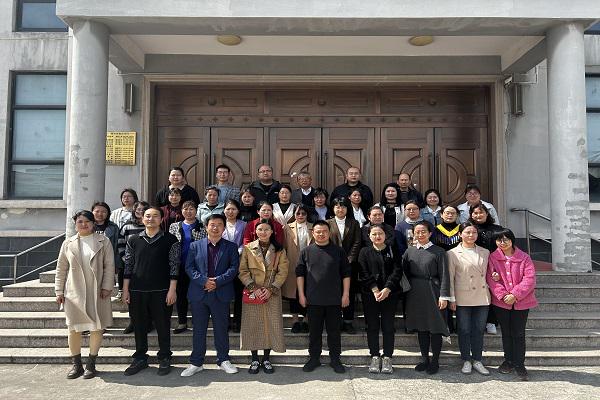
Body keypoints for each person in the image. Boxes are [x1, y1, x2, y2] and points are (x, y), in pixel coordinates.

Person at [55, 210, 115, 379]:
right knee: (73, 328)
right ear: (75, 224)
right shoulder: (68, 243)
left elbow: (109, 266)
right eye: (80, 221)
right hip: (74, 292)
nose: (84, 224)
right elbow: (61, 268)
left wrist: (107, 286)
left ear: (93, 223)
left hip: (97, 291)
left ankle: (91, 364)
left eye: (87, 221)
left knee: (97, 326)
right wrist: (59, 290)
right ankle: (76, 365)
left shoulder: (104, 241)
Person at [122, 206, 180, 376]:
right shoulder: (133, 239)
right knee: (139, 325)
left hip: (162, 290)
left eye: (155, 216)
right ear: (142, 219)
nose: (151, 219)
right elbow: (128, 265)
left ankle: (164, 357)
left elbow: (175, 265)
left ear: (161, 219)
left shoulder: (171, 239)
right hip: (137, 289)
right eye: (147, 216)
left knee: (163, 325)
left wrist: (172, 290)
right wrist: (125, 289)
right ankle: (140, 357)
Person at [181, 214, 240, 377]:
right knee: (198, 329)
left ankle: (223, 360)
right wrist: (204, 281)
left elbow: (234, 268)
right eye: (212, 225)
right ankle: (196, 362)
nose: (215, 228)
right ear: (206, 227)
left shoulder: (231, 246)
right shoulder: (195, 246)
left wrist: (217, 281)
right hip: (199, 293)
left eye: (219, 225)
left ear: (224, 228)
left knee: (221, 329)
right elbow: (189, 268)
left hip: (221, 293)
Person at [296, 220, 351, 374]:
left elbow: (346, 274)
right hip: (313, 299)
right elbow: (299, 274)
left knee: (334, 332)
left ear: (329, 233)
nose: (321, 234)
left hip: (334, 299)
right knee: (314, 331)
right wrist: (301, 294)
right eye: (318, 231)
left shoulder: (338, 251)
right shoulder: (306, 251)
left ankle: (335, 359)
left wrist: (345, 294)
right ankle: (314, 358)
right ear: (313, 233)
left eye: (324, 231)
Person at [238, 220, 289, 374]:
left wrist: (272, 288)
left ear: (272, 232)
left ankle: (266, 358)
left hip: (271, 293)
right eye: (260, 229)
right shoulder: (248, 248)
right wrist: (253, 287)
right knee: (252, 325)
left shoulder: (279, 250)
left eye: (267, 229)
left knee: (270, 326)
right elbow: (243, 271)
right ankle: (254, 359)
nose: (263, 232)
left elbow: (283, 271)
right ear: (255, 232)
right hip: (253, 292)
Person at [487, 228, 538, 381]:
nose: (502, 243)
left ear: (512, 240)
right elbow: (490, 278)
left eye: (505, 239)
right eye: (499, 240)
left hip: (522, 302)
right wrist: (503, 295)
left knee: (519, 333)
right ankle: (508, 361)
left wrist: (515, 294)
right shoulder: (493, 257)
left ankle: (520, 363)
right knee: (506, 333)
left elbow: (529, 279)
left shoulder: (524, 257)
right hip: (501, 303)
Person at [402, 221, 451, 375]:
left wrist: (444, 295)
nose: (420, 234)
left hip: (433, 290)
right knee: (421, 327)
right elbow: (403, 272)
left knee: (435, 327)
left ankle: (435, 360)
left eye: (424, 231)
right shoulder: (409, 251)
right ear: (413, 234)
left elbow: (445, 275)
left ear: (430, 233)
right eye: (417, 232)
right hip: (415, 292)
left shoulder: (439, 251)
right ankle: (425, 359)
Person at [358, 224, 404, 374]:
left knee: (388, 326)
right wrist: (375, 289)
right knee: (372, 326)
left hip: (390, 294)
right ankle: (375, 356)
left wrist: (387, 288)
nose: (377, 237)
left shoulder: (393, 249)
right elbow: (363, 271)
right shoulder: (364, 252)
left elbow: (397, 271)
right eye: (374, 234)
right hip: (370, 295)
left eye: (380, 234)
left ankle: (388, 357)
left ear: (385, 235)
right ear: (369, 236)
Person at [447, 222, 491, 376]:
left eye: (474, 232)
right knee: (464, 330)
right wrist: (451, 298)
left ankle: (477, 360)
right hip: (462, 296)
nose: (471, 235)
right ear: (460, 234)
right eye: (467, 232)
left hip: (482, 295)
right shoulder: (452, 253)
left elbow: (489, 273)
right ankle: (466, 359)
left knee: (479, 330)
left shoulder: (485, 252)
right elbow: (450, 278)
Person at [168, 201, 207, 334]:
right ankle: (182, 322)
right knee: (181, 294)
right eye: (185, 209)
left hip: (197, 266)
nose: (188, 211)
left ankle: (199, 322)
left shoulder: (202, 226)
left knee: (198, 295)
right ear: (181, 211)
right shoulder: (174, 226)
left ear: (196, 211)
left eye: (191, 209)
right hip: (179, 265)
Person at [327, 197, 361, 334]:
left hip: (349, 264)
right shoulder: (327, 223)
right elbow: (325, 241)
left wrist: (350, 258)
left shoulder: (354, 223)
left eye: (343, 207)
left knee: (349, 293)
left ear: (347, 209)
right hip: (332, 263)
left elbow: (357, 242)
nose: (340, 209)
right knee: (334, 292)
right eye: (337, 206)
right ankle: (336, 321)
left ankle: (348, 321)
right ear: (333, 208)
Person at [469, 203, 504, 335]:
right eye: (475, 213)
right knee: (475, 293)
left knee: (493, 293)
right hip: (474, 266)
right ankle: (476, 321)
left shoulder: (497, 229)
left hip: (493, 266)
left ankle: (491, 321)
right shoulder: (468, 229)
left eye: (481, 212)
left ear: (487, 214)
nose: (478, 215)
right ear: (471, 214)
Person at [282, 205, 313, 333]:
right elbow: (283, 247)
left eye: (303, 213)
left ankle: (306, 320)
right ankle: (295, 320)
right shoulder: (287, 228)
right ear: (294, 214)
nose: (300, 216)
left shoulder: (313, 227)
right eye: (298, 213)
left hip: (310, 265)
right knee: (293, 293)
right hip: (292, 264)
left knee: (308, 291)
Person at [116, 201, 149, 311]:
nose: (141, 212)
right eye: (138, 209)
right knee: (132, 294)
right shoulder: (127, 226)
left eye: (144, 209)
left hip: (147, 265)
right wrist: (126, 259)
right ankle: (133, 320)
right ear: (134, 211)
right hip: (130, 265)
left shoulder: (150, 225)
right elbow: (121, 243)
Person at [221, 199, 248, 333]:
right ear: (224, 210)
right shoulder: (219, 224)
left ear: (238, 211)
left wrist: (238, 250)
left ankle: (238, 321)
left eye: (233, 209)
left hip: (239, 262)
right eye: (228, 209)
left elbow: (246, 241)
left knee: (239, 294)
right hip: (222, 263)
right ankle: (224, 321)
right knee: (224, 293)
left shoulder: (243, 225)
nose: (230, 212)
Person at [91, 201, 120, 274]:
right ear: (92, 212)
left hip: (107, 261)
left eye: (104, 212)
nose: (100, 214)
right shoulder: (87, 226)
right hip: (90, 261)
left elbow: (116, 247)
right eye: (97, 211)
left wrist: (116, 265)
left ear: (108, 214)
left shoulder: (113, 227)